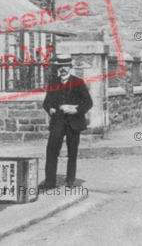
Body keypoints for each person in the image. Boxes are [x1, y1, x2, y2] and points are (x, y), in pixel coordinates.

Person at [39, 54, 93, 189]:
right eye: (60, 66)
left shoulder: (78, 82)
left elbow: (88, 102)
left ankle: (70, 181)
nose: (63, 69)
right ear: (58, 68)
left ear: (70, 67)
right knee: (51, 151)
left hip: (74, 122)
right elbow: (47, 102)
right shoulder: (53, 82)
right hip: (57, 121)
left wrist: (76, 110)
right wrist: (50, 108)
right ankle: (50, 182)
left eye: (65, 66)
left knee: (72, 152)